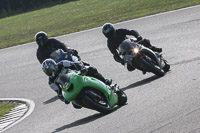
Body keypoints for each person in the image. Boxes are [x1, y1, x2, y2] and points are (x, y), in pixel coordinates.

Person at [41, 58, 112, 108]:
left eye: (49, 70)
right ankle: (94, 104)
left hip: (77, 77)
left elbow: (74, 64)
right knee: (76, 105)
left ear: (53, 65)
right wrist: (64, 99)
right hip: (70, 88)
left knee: (91, 69)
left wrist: (82, 68)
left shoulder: (62, 64)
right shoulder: (51, 82)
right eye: (47, 72)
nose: (49, 72)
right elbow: (59, 92)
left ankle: (104, 81)